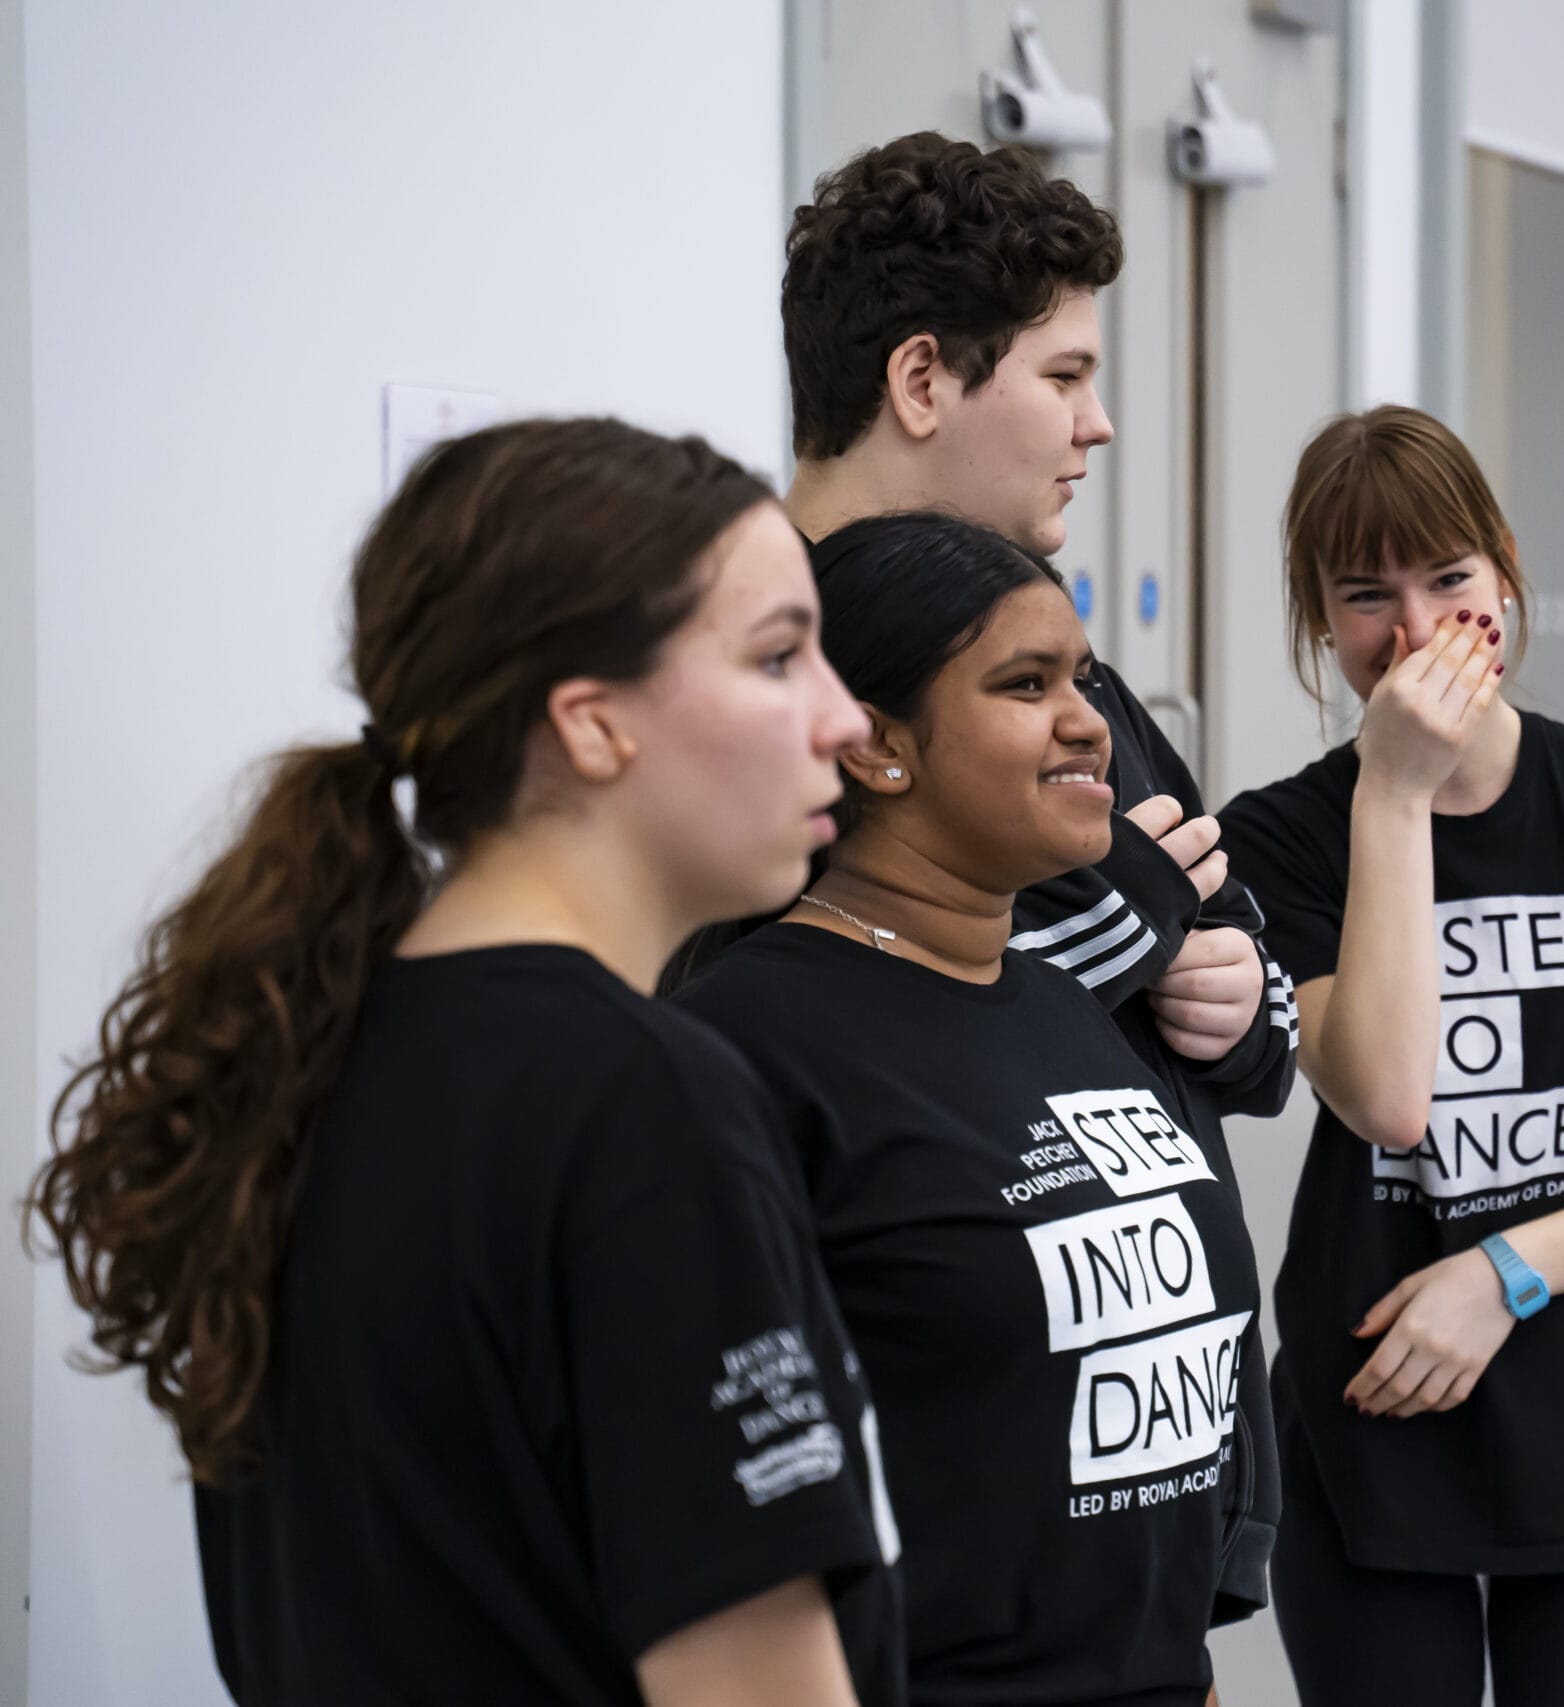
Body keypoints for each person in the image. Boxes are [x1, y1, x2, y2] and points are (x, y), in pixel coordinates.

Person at [24, 419, 904, 1705]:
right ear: (591, 725)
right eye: (779, 657)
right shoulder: (643, 1100)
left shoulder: (296, 1046)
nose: (841, 717)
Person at [675, 511, 1267, 1707]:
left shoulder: (1060, 1007)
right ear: (878, 745)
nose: (1090, 721)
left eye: (1083, 678)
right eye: (1024, 683)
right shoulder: (743, 1052)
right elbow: (714, 1512)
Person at [1215, 406, 1564, 1707]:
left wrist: (1507, 1274)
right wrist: (1396, 794)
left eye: (1451, 579)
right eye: (1367, 595)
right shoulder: (1287, 840)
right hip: (1370, 1421)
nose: (1415, 632)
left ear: (1507, 573)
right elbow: (1386, 1094)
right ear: (1320, 615)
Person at [764, 131, 1296, 1130]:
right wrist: (1134, 914)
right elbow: (801, 1007)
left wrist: (1238, 1007)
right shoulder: (748, 673)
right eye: (1063, 377)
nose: (1096, 423)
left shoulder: (1062, 654)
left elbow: (1245, 966)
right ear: (921, 383)